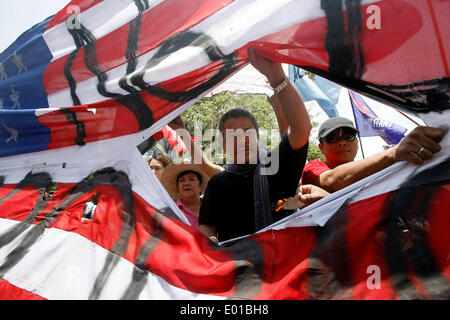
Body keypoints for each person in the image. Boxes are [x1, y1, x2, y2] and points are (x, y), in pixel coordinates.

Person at [198, 48, 312, 243]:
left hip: (285, 265)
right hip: (237, 269)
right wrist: (208, 239)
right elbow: (207, 224)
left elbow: (301, 128)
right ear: (223, 145)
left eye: (247, 132)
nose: (242, 139)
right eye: (233, 135)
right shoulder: (217, 184)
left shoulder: (277, 166)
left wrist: (276, 76)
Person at [301, 117, 445, 192]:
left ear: (356, 142)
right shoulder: (313, 168)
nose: (342, 142)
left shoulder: (374, 170)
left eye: (348, 136)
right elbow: (332, 181)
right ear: (321, 148)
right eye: (332, 138)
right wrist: (395, 153)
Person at [161, 163, 210, 229]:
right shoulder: (172, 210)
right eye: (182, 180)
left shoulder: (211, 207)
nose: (186, 183)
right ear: (178, 188)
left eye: (191, 179)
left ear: (200, 186)